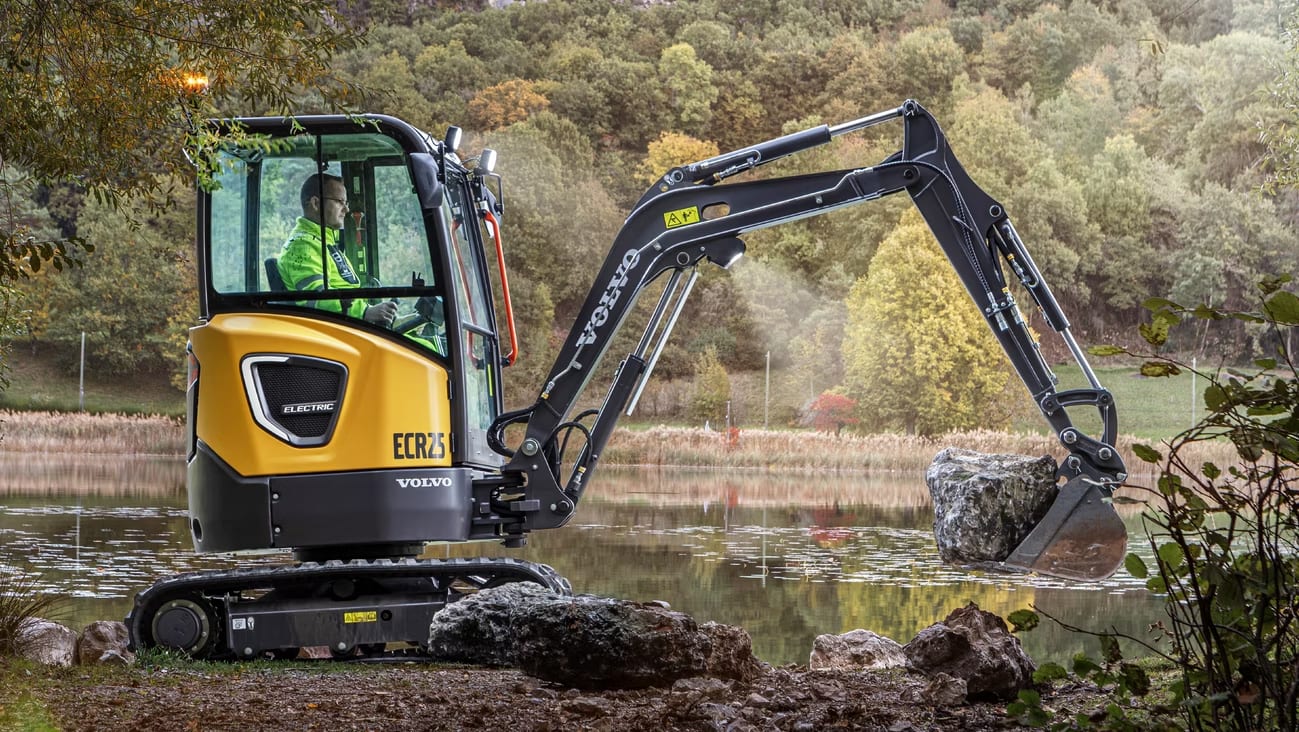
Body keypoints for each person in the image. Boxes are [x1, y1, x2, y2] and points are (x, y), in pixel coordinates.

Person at [277, 173, 397, 327]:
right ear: (315, 203)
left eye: (346, 203)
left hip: (348, 324)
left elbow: (343, 288)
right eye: (340, 202)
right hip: (336, 329)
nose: (346, 209)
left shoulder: (323, 241)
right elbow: (316, 299)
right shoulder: (302, 247)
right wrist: (365, 312)